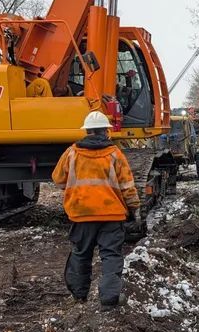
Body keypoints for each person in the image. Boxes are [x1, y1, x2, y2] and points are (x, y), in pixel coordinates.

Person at [52, 111, 141, 311]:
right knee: (111, 255)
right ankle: (109, 299)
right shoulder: (115, 154)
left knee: (80, 254)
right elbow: (127, 186)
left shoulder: (72, 153)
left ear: (87, 131)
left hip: (81, 215)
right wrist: (134, 208)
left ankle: (78, 296)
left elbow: (58, 179)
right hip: (112, 216)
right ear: (106, 132)